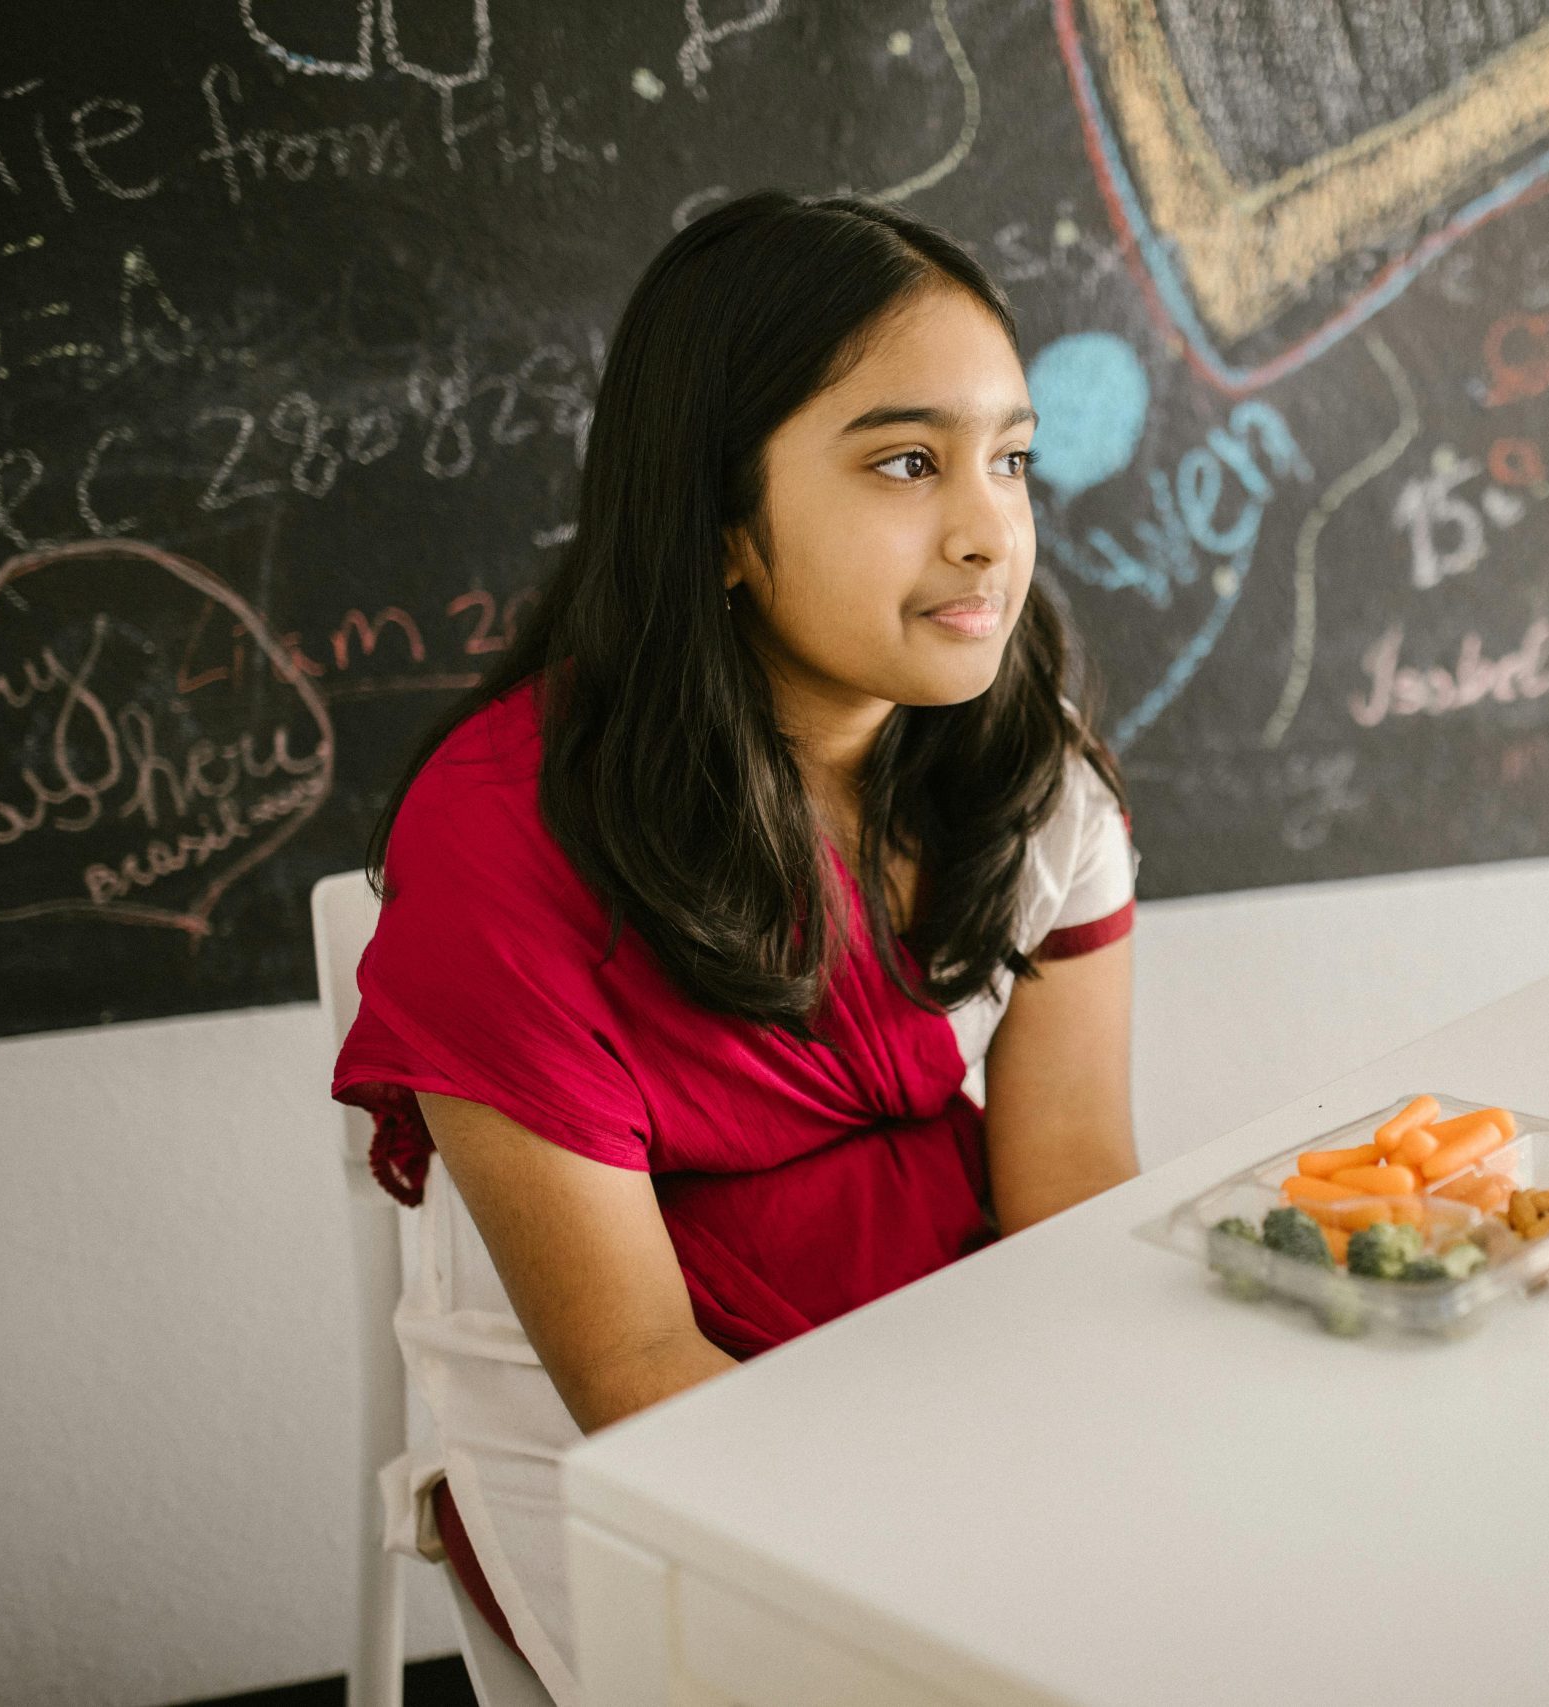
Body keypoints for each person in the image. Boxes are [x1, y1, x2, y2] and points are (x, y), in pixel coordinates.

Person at [329, 189, 1138, 1702]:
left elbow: (1073, 1201)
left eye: (1011, 462)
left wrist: (1096, 1469)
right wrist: (956, 1549)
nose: (987, 531)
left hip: (956, 1346)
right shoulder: (508, 837)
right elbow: (632, 1373)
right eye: (909, 463)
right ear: (720, 531)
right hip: (651, 1448)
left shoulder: (1037, 782)